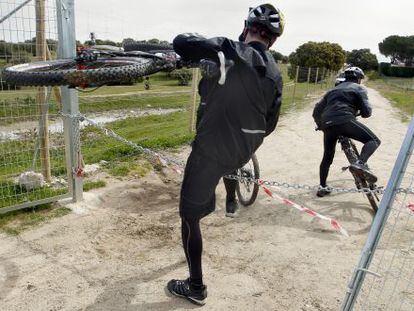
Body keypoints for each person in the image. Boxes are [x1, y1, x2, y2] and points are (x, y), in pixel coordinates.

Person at [167, 3, 285, 305]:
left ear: (247, 27)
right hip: (242, 149)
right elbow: (270, 123)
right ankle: (229, 201)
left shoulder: (228, 48)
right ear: (273, 39)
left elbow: (182, 42)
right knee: (227, 170)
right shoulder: (275, 74)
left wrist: (204, 41)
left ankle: (195, 286)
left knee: (188, 216)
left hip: (209, 150)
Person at [312, 66, 381, 197]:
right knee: (374, 140)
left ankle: (322, 187)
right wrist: (360, 112)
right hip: (344, 120)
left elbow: (316, 111)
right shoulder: (359, 88)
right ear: (359, 79)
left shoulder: (331, 91)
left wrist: (320, 125)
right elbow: (367, 112)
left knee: (327, 156)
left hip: (327, 124)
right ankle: (360, 164)